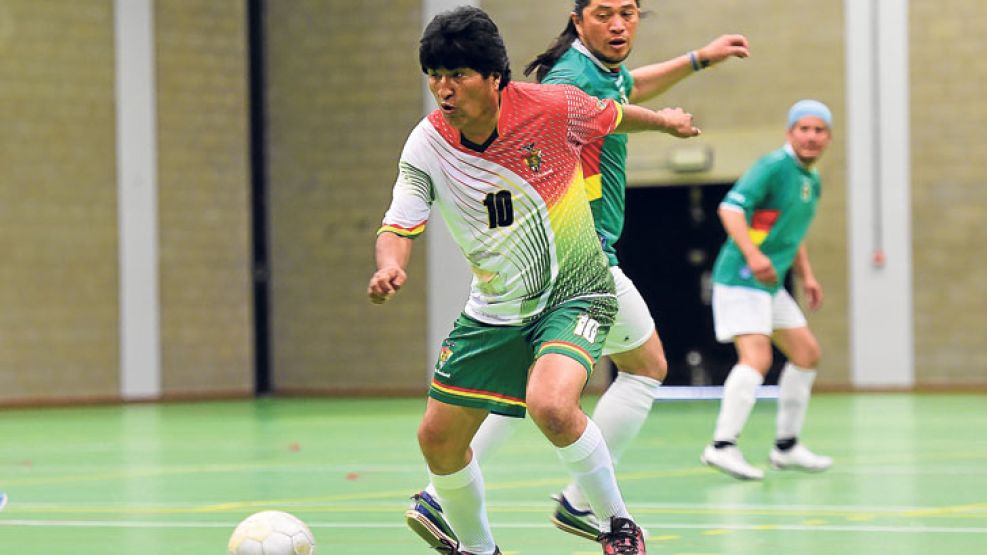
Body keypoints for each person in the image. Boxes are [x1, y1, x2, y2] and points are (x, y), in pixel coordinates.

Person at [406, 0, 750, 545]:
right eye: (605, 13)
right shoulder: (568, 79)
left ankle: (443, 491)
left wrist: (697, 60)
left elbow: (626, 92)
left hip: (580, 252)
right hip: (577, 259)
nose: (619, 25)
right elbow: (554, 150)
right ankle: (583, 502)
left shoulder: (596, 72)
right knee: (643, 366)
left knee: (536, 386)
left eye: (629, 13)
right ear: (577, 20)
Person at [699, 99, 834, 481]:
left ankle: (786, 446)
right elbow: (730, 209)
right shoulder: (773, 167)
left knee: (806, 354)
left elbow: (792, 233)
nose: (811, 136)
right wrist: (753, 254)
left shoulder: (812, 179)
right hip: (742, 276)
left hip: (770, 284)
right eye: (803, 128)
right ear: (790, 133)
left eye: (818, 130)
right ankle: (722, 445)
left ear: (828, 138)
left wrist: (806, 276)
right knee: (756, 358)